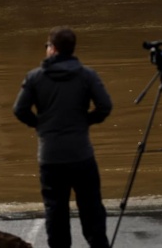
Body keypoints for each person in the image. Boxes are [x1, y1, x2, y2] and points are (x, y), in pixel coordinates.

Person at [13, 27, 113, 248]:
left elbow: (20, 110)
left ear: (53, 49)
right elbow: (105, 106)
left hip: (50, 156)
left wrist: (40, 125)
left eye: (47, 45)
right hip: (81, 153)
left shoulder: (35, 77)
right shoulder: (87, 75)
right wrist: (86, 121)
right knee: (91, 207)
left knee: (55, 209)